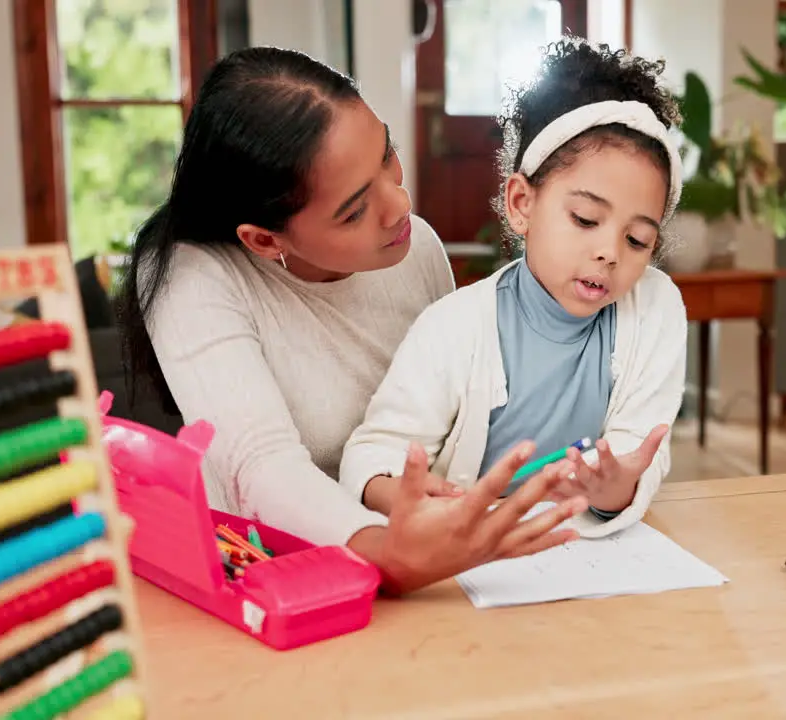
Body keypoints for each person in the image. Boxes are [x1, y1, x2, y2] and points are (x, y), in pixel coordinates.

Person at [117, 46, 586, 596]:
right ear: (265, 240)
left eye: (387, 156)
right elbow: (261, 467)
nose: (400, 206)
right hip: (276, 578)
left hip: (424, 566)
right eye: (355, 210)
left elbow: (455, 412)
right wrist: (393, 554)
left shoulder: (416, 248)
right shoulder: (189, 275)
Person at [340, 38, 688, 537]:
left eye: (638, 239)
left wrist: (613, 489)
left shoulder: (654, 307)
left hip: (582, 553)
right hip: (465, 562)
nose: (611, 252)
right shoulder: (454, 328)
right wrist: (400, 494)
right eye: (586, 219)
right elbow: (374, 453)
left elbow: (640, 455)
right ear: (522, 203)